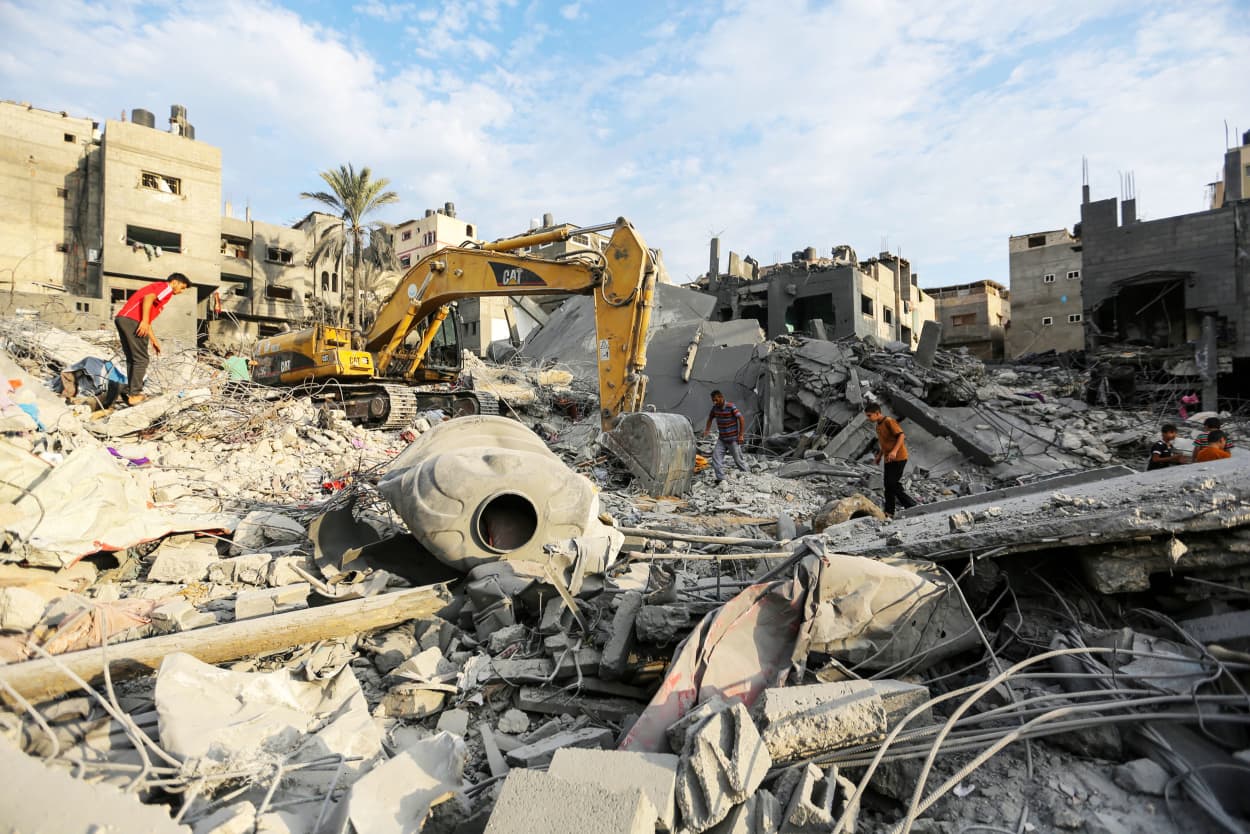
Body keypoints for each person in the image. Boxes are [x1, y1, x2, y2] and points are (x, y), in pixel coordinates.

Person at [114, 272, 190, 405]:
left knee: (133, 358)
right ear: (174, 282)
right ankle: (134, 394)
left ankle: (129, 391)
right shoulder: (166, 288)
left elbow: (148, 320)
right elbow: (148, 298)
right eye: (182, 287)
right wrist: (143, 321)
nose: (181, 291)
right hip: (133, 320)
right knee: (141, 359)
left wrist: (154, 340)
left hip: (123, 319)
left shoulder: (159, 289)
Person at [865, 401, 917, 517]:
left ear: (877, 413)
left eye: (869, 415)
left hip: (899, 457)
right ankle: (889, 512)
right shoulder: (878, 426)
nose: (868, 418)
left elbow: (901, 435)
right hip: (889, 459)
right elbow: (884, 443)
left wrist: (894, 451)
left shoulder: (889, 421)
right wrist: (879, 456)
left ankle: (911, 505)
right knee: (888, 485)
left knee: (892, 483)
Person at [703, 390, 748, 484]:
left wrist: (741, 435)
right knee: (716, 458)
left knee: (738, 460)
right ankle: (721, 479)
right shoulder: (715, 408)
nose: (714, 402)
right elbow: (710, 418)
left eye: (716, 400)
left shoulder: (731, 406)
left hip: (733, 439)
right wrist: (707, 430)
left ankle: (747, 476)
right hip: (722, 439)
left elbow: (741, 418)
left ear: (721, 397)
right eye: (713, 400)